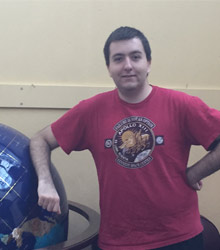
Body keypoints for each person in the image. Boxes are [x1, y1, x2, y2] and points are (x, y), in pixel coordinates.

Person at [30, 26, 220, 250]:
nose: (127, 65)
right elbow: (39, 140)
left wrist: (193, 173)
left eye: (135, 57)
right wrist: (45, 182)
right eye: (118, 59)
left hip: (180, 239)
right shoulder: (91, 111)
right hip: (117, 242)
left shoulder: (181, 105)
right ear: (109, 68)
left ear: (148, 63)